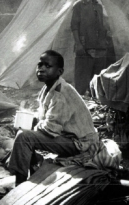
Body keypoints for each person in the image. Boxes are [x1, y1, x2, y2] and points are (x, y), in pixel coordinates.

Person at [6, 50, 100, 186]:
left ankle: (19, 184)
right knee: (25, 131)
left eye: (48, 66)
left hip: (79, 144)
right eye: (40, 65)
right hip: (67, 137)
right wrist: (30, 121)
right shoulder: (48, 88)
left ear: (59, 71)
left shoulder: (61, 93)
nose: (42, 69)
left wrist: (32, 126)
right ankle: (33, 171)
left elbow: (51, 129)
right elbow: (45, 115)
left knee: (24, 137)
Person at [70, 0, 111, 95]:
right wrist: (78, 44)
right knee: (82, 76)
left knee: (97, 76)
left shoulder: (98, 6)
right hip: (85, 45)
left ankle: (94, 99)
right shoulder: (78, 5)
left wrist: (105, 39)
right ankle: (80, 99)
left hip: (99, 46)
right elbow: (74, 26)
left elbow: (102, 25)